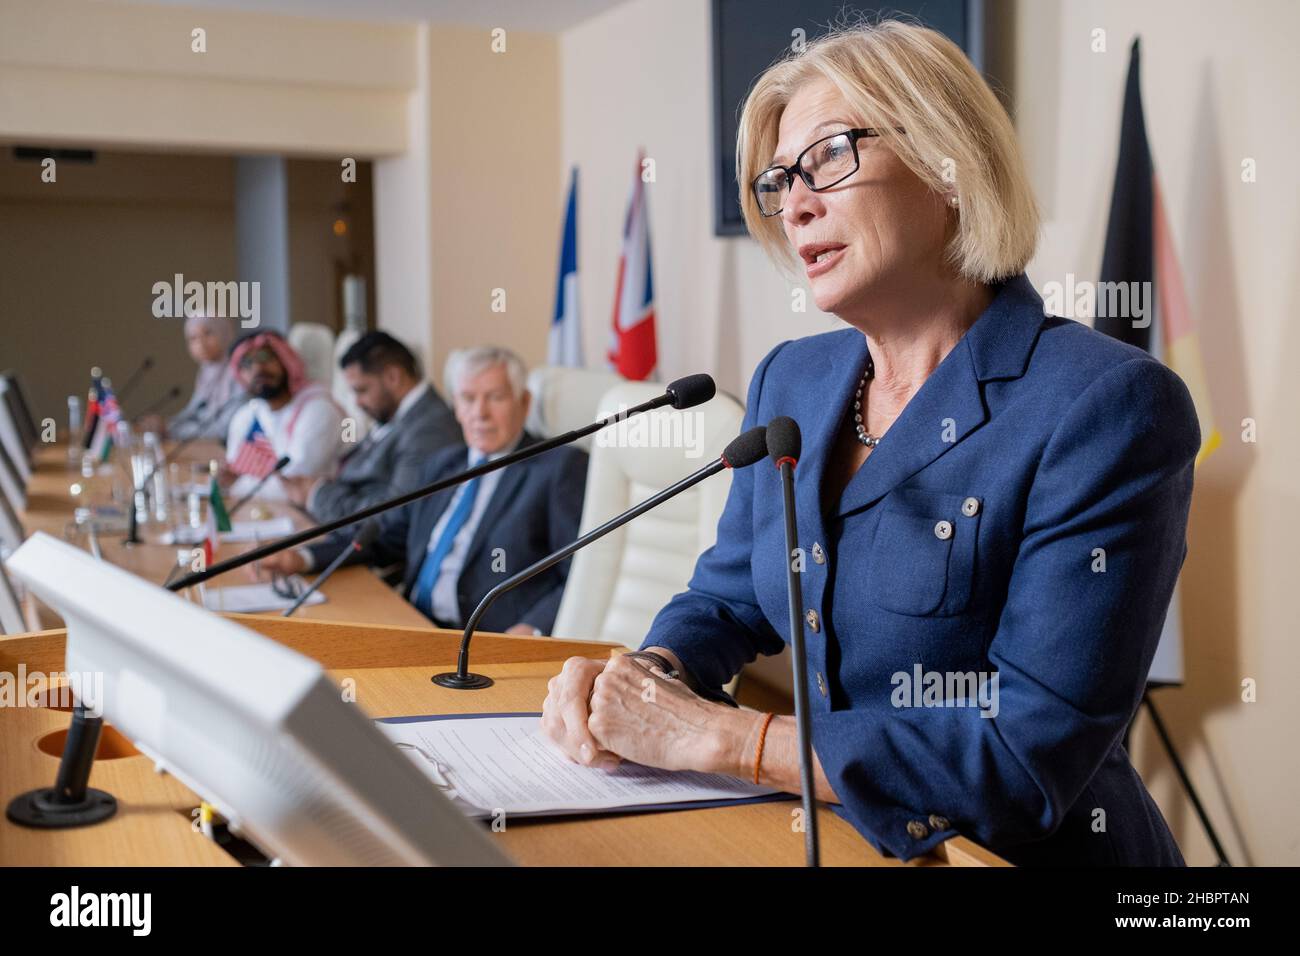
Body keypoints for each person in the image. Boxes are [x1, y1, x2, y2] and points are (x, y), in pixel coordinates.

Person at [541, 20, 1198, 867]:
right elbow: (731, 597)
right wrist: (653, 675)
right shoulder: (793, 380)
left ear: (948, 164)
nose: (796, 204)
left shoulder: (1110, 405)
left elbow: (1022, 759)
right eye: (781, 180)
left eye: (830, 158)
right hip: (828, 839)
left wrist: (727, 740)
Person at [256, 346, 587, 636]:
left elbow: (579, 574)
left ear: (524, 402)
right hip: (415, 624)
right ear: (456, 406)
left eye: (496, 397)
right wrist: (302, 556)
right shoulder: (442, 465)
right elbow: (386, 538)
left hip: (490, 641)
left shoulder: (558, 468)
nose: (480, 413)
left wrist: (533, 628)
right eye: (469, 399)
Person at [280, 331, 461, 521]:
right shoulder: (395, 415)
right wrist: (318, 487)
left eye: (362, 390)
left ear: (393, 377)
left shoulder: (429, 428)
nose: (357, 402)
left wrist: (317, 495)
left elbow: (392, 517)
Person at [222, 331, 346, 502]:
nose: (258, 368)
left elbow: (294, 485)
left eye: (266, 357)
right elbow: (232, 469)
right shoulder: (246, 415)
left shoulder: (319, 409)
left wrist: (236, 485)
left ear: (287, 360)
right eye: (247, 363)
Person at [162, 313, 241, 441]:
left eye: (208, 333)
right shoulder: (206, 372)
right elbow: (193, 412)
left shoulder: (239, 371)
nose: (201, 343)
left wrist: (170, 430)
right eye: (193, 338)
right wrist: (165, 424)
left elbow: (224, 429)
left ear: (224, 333)